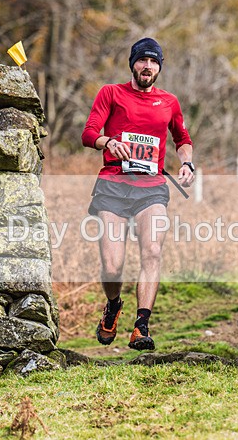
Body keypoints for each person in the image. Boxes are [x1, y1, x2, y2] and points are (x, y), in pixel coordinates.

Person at [81, 37, 195, 351]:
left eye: (154, 62)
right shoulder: (111, 93)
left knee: (153, 252)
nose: (148, 67)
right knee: (113, 265)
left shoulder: (169, 101)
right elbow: (89, 132)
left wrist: (187, 164)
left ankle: (141, 326)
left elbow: (182, 139)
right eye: (142, 61)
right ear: (133, 64)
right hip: (113, 186)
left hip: (152, 189)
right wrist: (107, 142)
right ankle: (113, 305)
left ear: (159, 67)